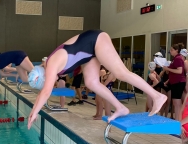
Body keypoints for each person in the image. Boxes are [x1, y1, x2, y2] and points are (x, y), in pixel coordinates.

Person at [27, 30, 167, 129]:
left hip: (96, 40)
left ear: (44, 77)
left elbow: (46, 91)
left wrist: (35, 113)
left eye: (47, 82)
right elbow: (43, 92)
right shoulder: (47, 65)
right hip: (89, 52)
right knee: (91, 82)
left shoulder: (51, 65)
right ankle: (120, 107)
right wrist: (33, 110)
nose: (52, 83)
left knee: (120, 73)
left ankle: (157, 96)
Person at [162, 43, 186, 121]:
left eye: (172, 50)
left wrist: (168, 69)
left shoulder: (178, 58)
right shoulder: (175, 58)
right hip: (176, 82)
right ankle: (177, 120)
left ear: (176, 50)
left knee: (177, 103)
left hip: (178, 82)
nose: (170, 51)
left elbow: (180, 71)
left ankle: (178, 121)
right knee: (176, 103)